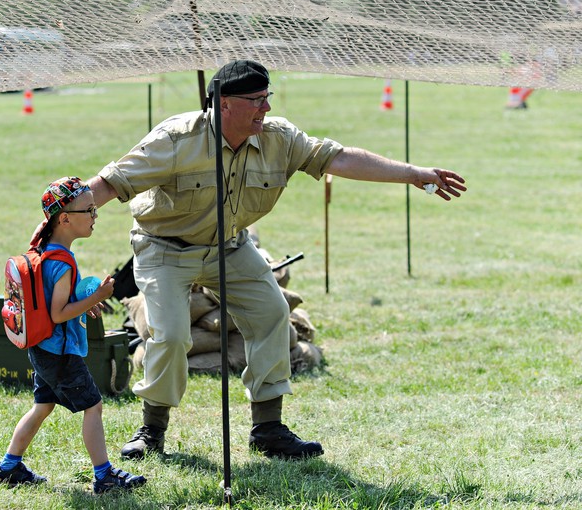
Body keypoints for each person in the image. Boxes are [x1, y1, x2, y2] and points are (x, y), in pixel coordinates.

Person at [33, 61, 467, 461]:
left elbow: (337, 157)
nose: (266, 107)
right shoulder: (176, 139)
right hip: (164, 247)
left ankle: (268, 428)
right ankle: (152, 430)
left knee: (272, 313)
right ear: (224, 104)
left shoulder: (279, 138)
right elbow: (111, 183)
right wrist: (57, 227)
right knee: (169, 335)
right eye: (256, 100)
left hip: (230, 246)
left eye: (267, 97)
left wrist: (413, 174)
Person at [0, 176, 147, 494]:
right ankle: (104, 475)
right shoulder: (62, 262)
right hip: (60, 354)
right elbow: (59, 313)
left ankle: (9, 467)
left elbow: (56, 301)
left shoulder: (46, 250)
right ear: (64, 218)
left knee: (42, 406)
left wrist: (84, 301)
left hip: (42, 347)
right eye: (89, 210)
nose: (95, 216)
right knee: (93, 406)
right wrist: (98, 295)